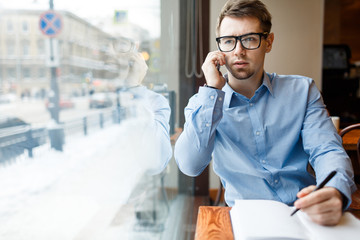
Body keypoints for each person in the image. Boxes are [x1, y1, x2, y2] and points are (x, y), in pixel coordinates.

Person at [174, 0, 356, 226]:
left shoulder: (303, 91)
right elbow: (190, 165)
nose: (238, 51)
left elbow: (326, 149)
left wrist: (335, 191)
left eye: (249, 39)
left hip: (302, 215)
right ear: (219, 49)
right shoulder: (205, 103)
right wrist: (212, 90)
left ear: (268, 42)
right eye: (229, 41)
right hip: (245, 222)